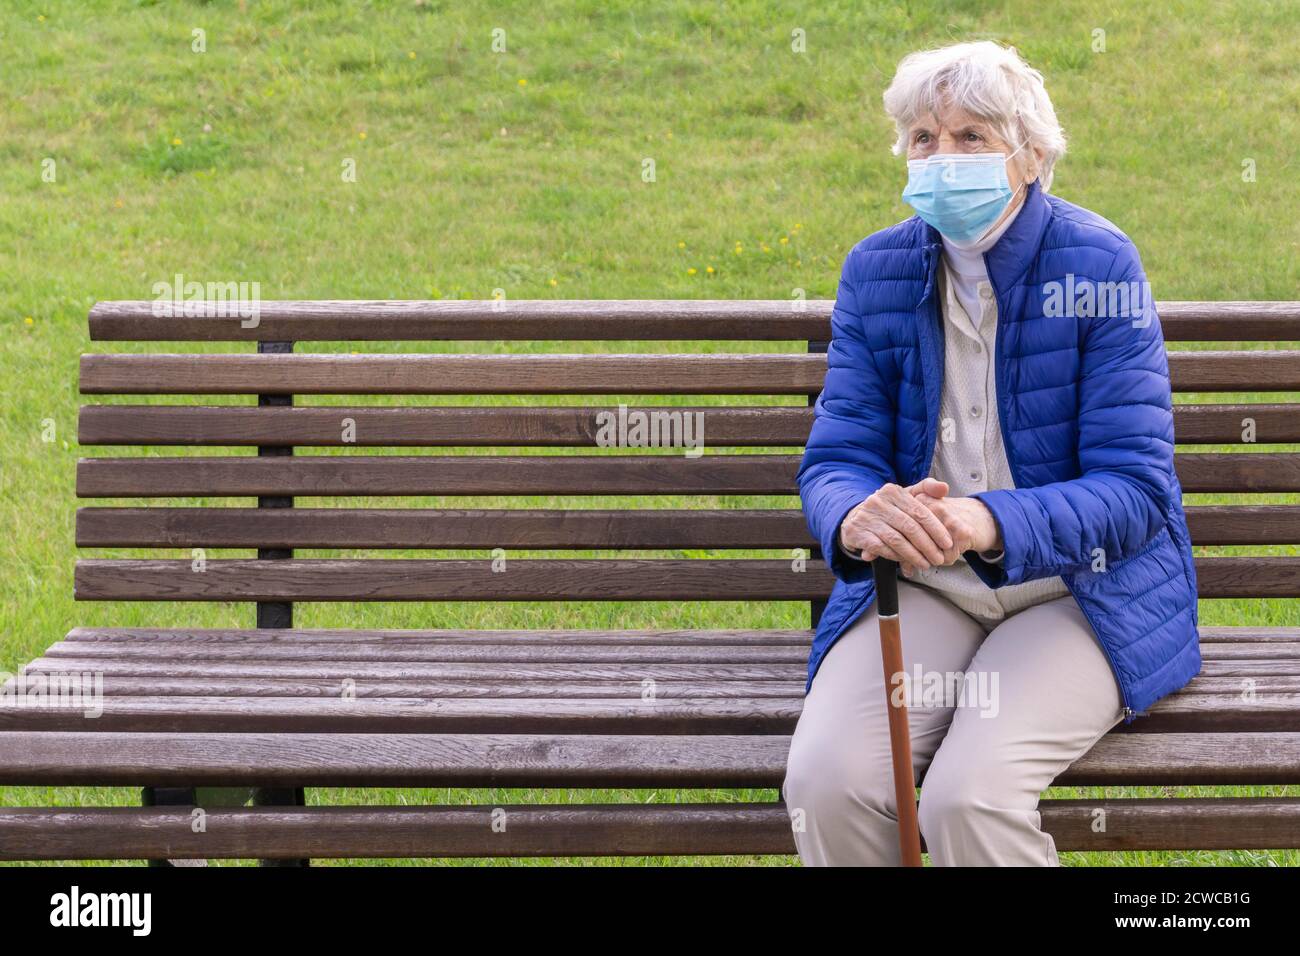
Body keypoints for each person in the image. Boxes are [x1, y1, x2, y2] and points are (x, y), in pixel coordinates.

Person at [781, 40, 1200, 866]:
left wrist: (986, 520)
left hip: (1079, 592)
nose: (942, 157)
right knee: (826, 782)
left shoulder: (1099, 264)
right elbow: (836, 457)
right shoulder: (878, 270)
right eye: (923, 139)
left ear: (1032, 154)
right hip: (927, 586)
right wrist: (856, 514)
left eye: (972, 137)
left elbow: (1137, 490)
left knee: (970, 797)